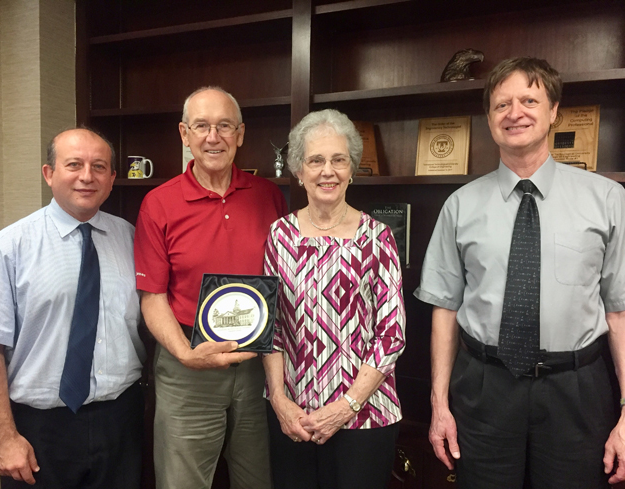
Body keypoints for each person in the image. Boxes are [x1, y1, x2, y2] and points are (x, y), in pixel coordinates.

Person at [415, 57, 625, 488]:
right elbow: (444, 311)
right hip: (485, 389)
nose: (515, 113)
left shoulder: (607, 199)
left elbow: (619, 313)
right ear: (489, 119)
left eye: (529, 99)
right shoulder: (460, 205)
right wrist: (440, 405)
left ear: (553, 112)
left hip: (578, 392)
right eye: (501, 104)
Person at [0, 128, 145, 488]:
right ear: (49, 174)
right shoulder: (9, 248)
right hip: (39, 428)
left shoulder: (132, 239)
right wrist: (4, 439)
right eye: (74, 164)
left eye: (99, 166)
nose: (87, 176)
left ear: (113, 179)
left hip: (120, 420)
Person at [134, 86, 287, 489]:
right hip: (187, 364)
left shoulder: (270, 196)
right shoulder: (159, 203)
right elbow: (153, 296)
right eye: (201, 126)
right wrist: (186, 355)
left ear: (240, 134)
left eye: (224, 126)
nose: (212, 137)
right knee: (183, 481)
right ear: (184, 134)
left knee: (259, 479)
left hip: (260, 365)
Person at [263, 109, 406, 489]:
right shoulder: (280, 235)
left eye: (338, 160)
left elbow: (391, 335)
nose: (328, 171)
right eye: (316, 160)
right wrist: (278, 400)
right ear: (298, 170)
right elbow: (270, 327)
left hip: (365, 415)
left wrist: (345, 408)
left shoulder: (378, 237)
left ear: (352, 169)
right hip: (294, 418)